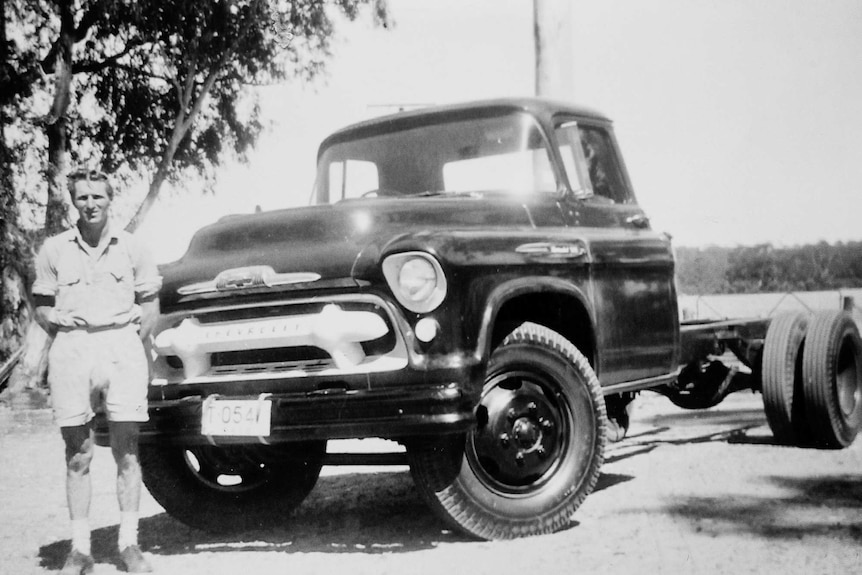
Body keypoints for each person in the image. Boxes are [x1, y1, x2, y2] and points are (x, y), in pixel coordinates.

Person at [32, 169, 162, 574]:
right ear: (73, 201)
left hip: (121, 345)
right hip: (73, 348)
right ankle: (80, 550)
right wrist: (72, 335)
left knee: (127, 451)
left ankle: (128, 545)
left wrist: (125, 344)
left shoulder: (133, 248)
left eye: (97, 197)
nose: (90, 204)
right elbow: (41, 305)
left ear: (110, 200)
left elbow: (151, 307)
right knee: (78, 455)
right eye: (82, 197)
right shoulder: (54, 250)